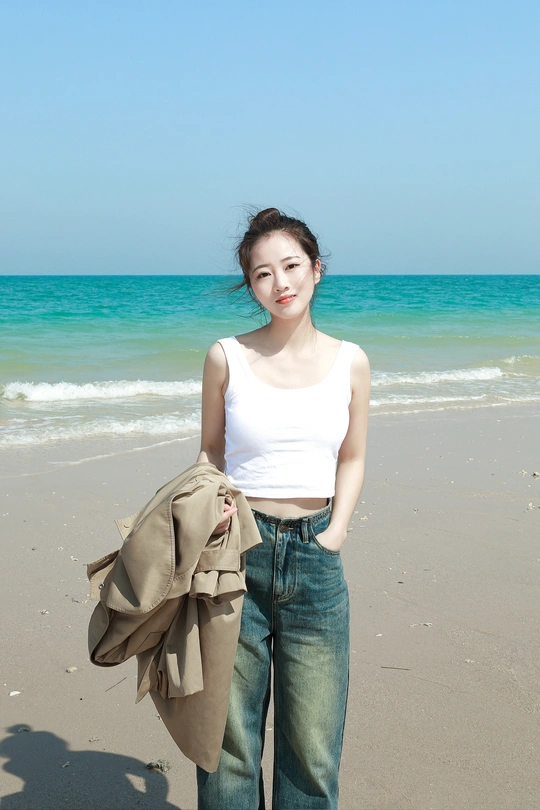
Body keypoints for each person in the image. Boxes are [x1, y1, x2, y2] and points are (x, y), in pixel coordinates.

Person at [196, 207, 370, 810]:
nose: (280, 283)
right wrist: (214, 512)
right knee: (228, 744)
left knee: (313, 749)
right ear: (251, 286)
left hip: (315, 557)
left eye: (291, 266)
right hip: (236, 553)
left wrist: (336, 532)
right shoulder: (225, 356)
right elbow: (210, 451)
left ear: (316, 269)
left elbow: (352, 456)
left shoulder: (351, 361)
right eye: (263, 274)